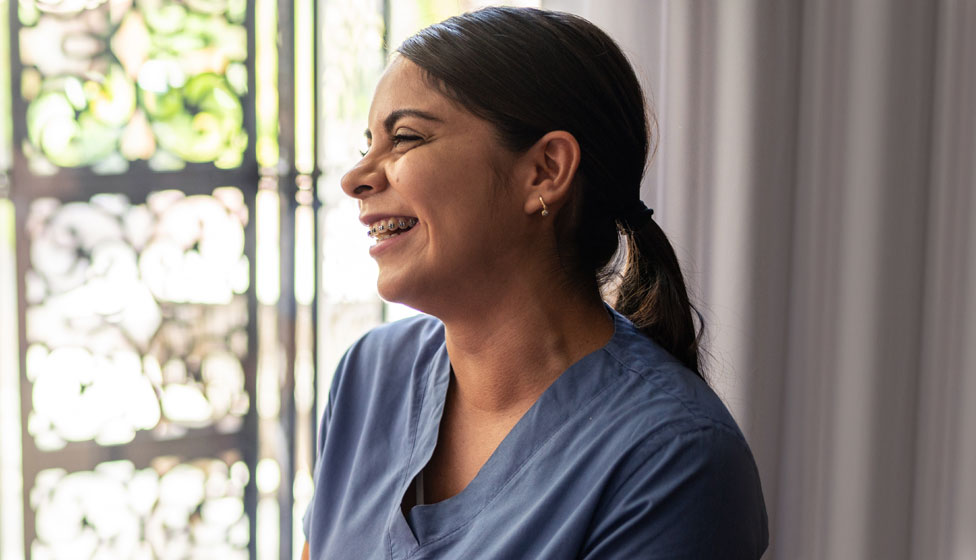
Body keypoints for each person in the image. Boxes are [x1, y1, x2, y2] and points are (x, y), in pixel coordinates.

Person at [302, 7, 767, 558]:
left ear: (546, 170)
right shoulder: (372, 375)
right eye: (367, 144)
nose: (355, 177)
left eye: (404, 138)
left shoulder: (673, 460)